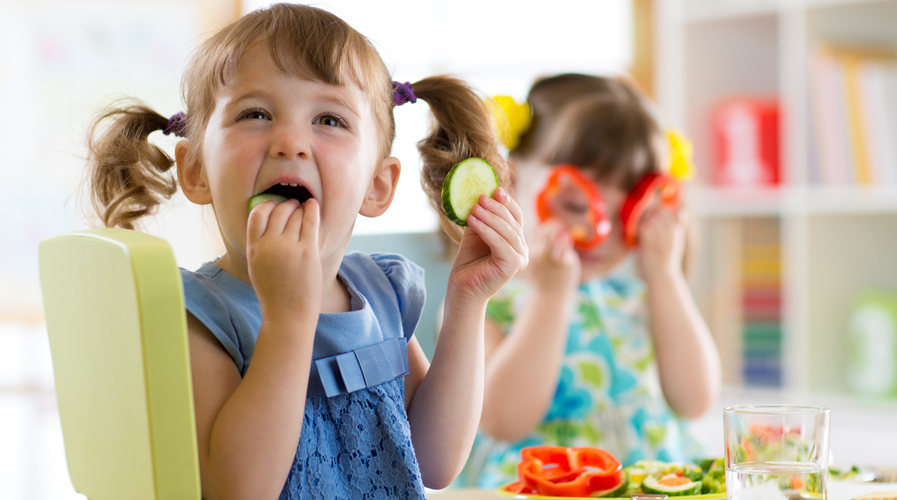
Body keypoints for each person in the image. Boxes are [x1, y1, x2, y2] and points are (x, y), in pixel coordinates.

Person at [82, 4, 528, 499]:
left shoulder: (381, 295)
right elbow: (237, 491)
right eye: (255, 114)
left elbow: (435, 461)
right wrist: (288, 320)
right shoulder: (198, 317)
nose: (290, 141)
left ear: (377, 187)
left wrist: (468, 301)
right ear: (195, 171)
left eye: (330, 119)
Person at [469, 73, 721, 488]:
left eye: (626, 216)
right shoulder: (486, 296)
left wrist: (666, 277)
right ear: (511, 179)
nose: (599, 232)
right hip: (548, 487)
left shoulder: (643, 294)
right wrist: (550, 295)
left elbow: (695, 400)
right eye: (573, 204)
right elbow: (501, 420)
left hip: (651, 484)